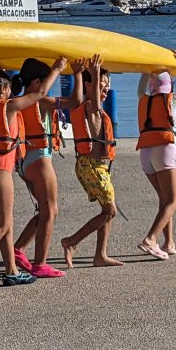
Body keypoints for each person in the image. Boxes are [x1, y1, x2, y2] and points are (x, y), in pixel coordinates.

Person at [0, 58, 67, 291]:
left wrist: (0, 66)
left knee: (6, 223)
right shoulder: (9, 107)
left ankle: (11, 271)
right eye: (7, 87)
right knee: (2, 224)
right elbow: (41, 92)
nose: (11, 90)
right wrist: (57, 69)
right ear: (2, 90)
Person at [11, 58, 87, 278]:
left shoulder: (17, 100)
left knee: (47, 210)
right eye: (46, 81)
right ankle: (40, 263)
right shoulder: (40, 100)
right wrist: (77, 73)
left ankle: (18, 249)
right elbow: (76, 101)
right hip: (39, 159)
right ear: (36, 82)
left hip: (26, 161)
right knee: (50, 211)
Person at [61, 54, 123, 268]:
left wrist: (78, 72)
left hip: (94, 167)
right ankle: (71, 242)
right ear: (90, 85)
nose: (105, 90)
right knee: (110, 211)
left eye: (107, 87)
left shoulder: (85, 105)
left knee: (105, 211)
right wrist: (96, 73)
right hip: (92, 167)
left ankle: (100, 255)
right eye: (101, 86)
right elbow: (95, 100)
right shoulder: (90, 107)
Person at [135, 50, 176, 259]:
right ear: (168, 85)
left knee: (164, 200)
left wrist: (147, 68)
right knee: (173, 202)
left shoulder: (142, 99)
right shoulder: (174, 101)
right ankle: (150, 239)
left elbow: (141, 86)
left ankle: (169, 243)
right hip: (164, 149)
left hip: (145, 152)